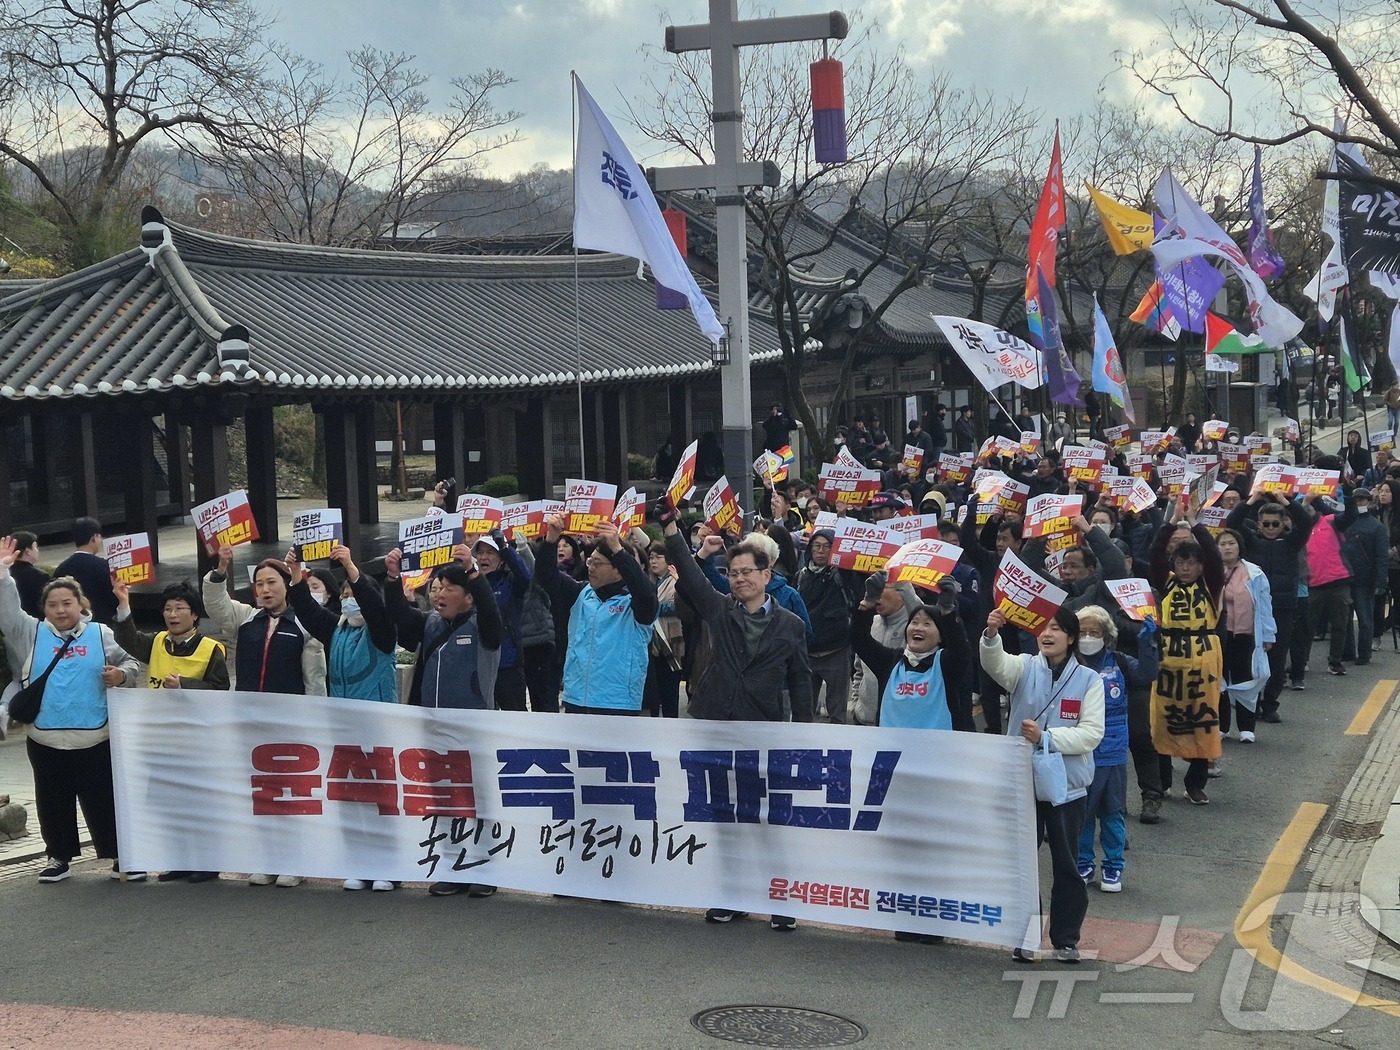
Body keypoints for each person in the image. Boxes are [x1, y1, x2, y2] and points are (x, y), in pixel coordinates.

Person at [657, 497, 812, 931]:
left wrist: (802, 734)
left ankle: (782, 900)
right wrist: (670, 528)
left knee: (769, 820)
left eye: (748, 572)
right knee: (724, 817)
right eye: (733, 573)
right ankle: (732, 896)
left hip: (763, 732)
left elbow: (801, 682)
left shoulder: (791, 625)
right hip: (716, 729)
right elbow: (689, 574)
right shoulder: (719, 610)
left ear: (767, 576)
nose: (740, 579)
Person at [0, 538, 141, 884]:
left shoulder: (100, 634)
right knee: (51, 800)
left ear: (81, 604)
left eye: (67, 603)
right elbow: (6, 612)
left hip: (95, 734)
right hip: (45, 736)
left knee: (103, 798)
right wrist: (3, 572)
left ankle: (121, 856)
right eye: (53, 604)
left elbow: (132, 664)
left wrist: (121, 675)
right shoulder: (30, 633)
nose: (61, 610)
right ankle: (58, 856)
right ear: (43, 609)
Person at [980, 605, 1105, 963]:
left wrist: (1046, 736)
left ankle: (1066, 938)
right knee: (1022, 863)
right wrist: (991, 636)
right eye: (1042, 628)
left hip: (1068, 787)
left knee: (1066, 862)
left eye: (1056, 628)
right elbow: (995, 664)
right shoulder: (1024, 667)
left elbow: (1091, 734)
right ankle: (1025, 936)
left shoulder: (1089, 680)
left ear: (1072, 636)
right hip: (1022, 784)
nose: (1047, 634)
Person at [203, 544, 326, 887]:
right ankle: (266, 859)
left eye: (272, 582)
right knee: (260, 793)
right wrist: (221, 570)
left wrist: (315, 722)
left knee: (290, 792)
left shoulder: (304, 624)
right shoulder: (245, 618)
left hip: (291, 725)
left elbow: (314, 679)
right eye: (259, 584)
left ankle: (295, 861)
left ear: (287, 585)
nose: (265, 590)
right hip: (250, 724)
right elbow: (215, 604)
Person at [384, 547, 503, 898]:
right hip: (434, 729)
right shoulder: (431, 624)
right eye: (435, 587)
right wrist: (392, 579)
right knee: (445, 799)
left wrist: (471, 570)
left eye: (448, 587)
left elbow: (491, 608)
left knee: (480, 800)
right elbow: (398, 616)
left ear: (467, 596)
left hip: (475, 729)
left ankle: (486, 868)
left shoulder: (485, 627)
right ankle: (453, 865)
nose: (438, 593)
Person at [112, 577, 228, 884]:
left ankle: (207, 862)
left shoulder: (210, 648)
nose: (172, 615)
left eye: (180, 608)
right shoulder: (157, 642)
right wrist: (124, 604)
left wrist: (185, 686)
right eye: (167, 608)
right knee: (169, 805)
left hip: (196, 741)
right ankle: (178, 860)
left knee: (199, 805)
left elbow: (222, 689)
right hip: (161, 740)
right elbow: (129, 641)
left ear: (195, 615)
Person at [535, 518, 657, 714]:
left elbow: (646, 593)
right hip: (576, 698)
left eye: (597, 563)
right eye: (590, 561)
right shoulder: (581, 594)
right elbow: (545, 576)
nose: (590, 567)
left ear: (618, 570)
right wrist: (551, 538)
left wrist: (618, 549)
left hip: (617, 703)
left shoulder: (635, 604)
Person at [1075, 606, 1158, 892]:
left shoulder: (1120, 662)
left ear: (1107, 636)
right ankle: (1083, 862)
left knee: (1111, 812)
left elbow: (1148, 674)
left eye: (1094, 632)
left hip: (1111, 753)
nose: (1088, 637)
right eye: (1082, 631)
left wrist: (1148, 643)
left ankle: (1113, 866)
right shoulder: (1069, 663)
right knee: (1081, 813)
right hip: (1078, 751)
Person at [1148, 510, 1224, 804]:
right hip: (1169, 660)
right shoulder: (1165, 582)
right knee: (1163, 719)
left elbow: (1215, 558)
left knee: (1203, 719)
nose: (1186, 568)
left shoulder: (1211, 584)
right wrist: (1170, 522)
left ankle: (1195, 784)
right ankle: (1163, 781)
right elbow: (1155, 552)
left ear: (1201, 566)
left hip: (1202, 659)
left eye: (1192, 563)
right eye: (1181, 562)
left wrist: (1195, 524)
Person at [1225, 491, 1316, 721]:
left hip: (1282, 609)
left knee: (1276, 658)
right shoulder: (1251, 542)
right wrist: (1251, 500)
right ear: (1259, 524)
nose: (1271, 527)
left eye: (1276, 523)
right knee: (1249, 657)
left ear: (1282, 524)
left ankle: (1270, 704)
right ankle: (1251, 703)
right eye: (1266, 524)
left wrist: (1287, 502)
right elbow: (1233, 522)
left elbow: (1305, 522)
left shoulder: (1291, 543)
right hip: (1252, 609)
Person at [1215, 529, 1276, 746]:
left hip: (1246, 634)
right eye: (1222, 544)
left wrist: (1269, 634)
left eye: (1231, 543)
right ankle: (1221, 726)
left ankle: (1247, 727)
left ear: (1239, 546)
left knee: (1246, 679)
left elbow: (1264, 605)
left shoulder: (1254, 573)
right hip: (1219, 635)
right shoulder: (1211, 572)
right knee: (1218, 681)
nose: (1227, 547)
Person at [794, 528, 855, 724]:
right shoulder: (801, 576)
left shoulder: (842, 575)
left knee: (837, 712)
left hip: (836, 650)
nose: (820, 551)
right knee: (804, 711)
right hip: (808, 652)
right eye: (816, 546)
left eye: (826, 546)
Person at [1342, 487, 1388, 666]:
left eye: (1362, 500)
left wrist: (1380, 581)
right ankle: (1347, 652)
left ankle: (1364, 653)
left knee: (1365, 619)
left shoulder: (1376, 527)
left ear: (1369, 502)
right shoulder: (1345, 521)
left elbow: (1381, 557)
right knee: (1344, 619)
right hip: (1345, 577)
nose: (1359, 503)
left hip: (1365, 579)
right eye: (1356, 500)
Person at [643, 541, 684, 718]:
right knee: (653, 693)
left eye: (658, 557)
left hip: (671, 643)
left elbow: (677, 606)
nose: (653, 561)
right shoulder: (650, 582)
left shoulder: (675, 580)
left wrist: (653, 607)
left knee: (669, 695)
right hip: (652, 644)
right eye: (651, 557)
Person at [53, 517, 117, 625]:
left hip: (73, 626)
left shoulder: (62, 568)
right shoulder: (105, 566)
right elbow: (115, 598)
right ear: (94, 537)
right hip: (104, 625)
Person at [8, 531, 50, 618]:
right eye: (35, 547)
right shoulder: (40, 576)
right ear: (28, 551)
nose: (37, 550)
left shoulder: (6, 575)